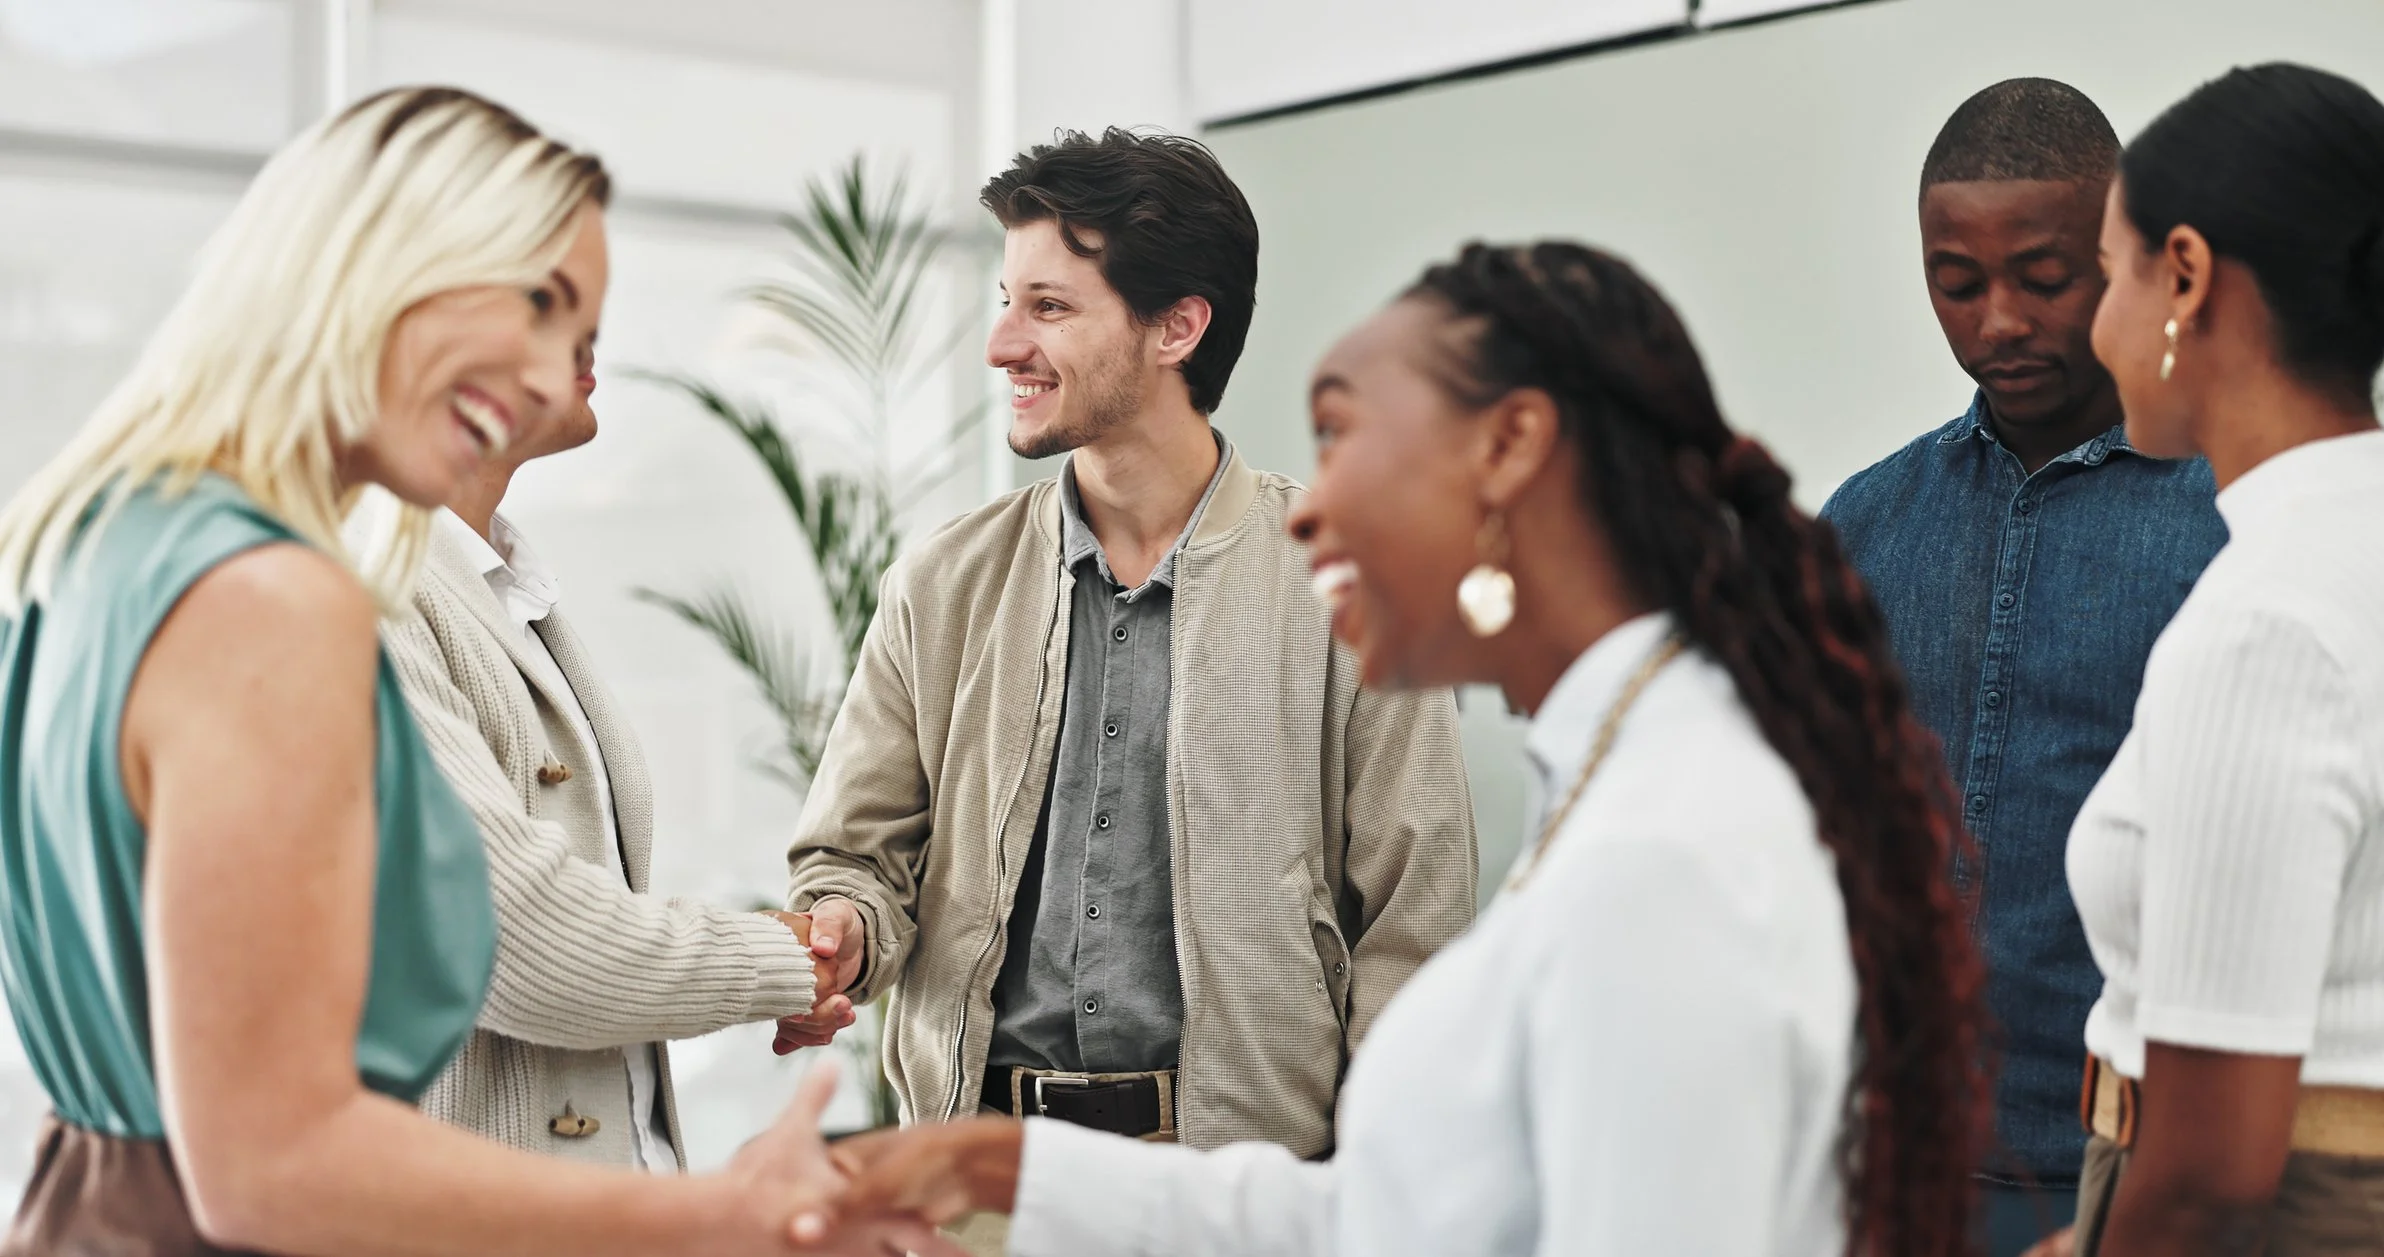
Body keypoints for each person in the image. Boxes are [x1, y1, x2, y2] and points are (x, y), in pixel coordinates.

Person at [800, 239, 1994, 1257]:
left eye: (1341, 436)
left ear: (1508, 446)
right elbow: (1394, 1217)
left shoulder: (1659, 854)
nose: (1307, 508)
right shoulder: (1622, 780)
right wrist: (1014, 1172)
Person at [0, 86, 942, 1256]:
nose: (554, 378)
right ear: (379, 256)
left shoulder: (104, 540)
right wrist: (724, 1214)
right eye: (539, 302)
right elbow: (270, 1169)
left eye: (580, 331)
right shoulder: (276, 597)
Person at [776, 128, 1478, 1248]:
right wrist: (840, 933)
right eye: (1006, 301)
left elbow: (1413, 926)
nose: (1003, 341)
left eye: (1048, 307)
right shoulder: (943, 582)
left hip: (1236, 1199)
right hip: (977, 1198)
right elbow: (856, 859)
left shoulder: (1354, 584)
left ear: (1175, 326)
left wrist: (1370, 1196)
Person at [1820, 78, 2227, 1253]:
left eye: (2042, 279)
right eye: (1955, 284)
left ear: (2127, 256)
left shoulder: (2230, 516)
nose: (1996, 320)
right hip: (1889, 1158)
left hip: (2139, 1167)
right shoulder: (1863, 526)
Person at [2047, 62, 2384, 1255]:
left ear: (2182, 274)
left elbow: (2209, 1171)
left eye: (2103, 275)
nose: (2093, 327)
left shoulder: (2262, 624)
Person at [366, 373, 819, 1167]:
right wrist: (787, 955)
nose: (586, 334)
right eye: (542, 301)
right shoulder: (369, 587)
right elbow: (513, 939)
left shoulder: (502, 586)